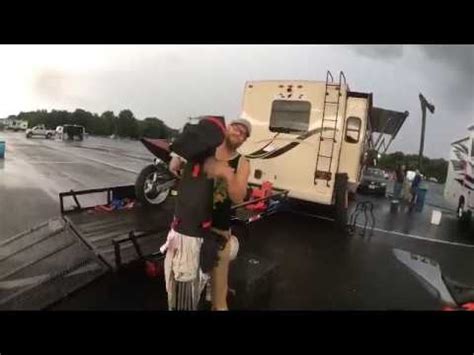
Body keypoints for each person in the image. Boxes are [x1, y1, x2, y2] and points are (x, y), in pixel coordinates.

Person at [168, 118, 251, 310]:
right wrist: (176, 157)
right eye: (235, 128)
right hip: (191, 229)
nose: (238, 133)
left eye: (243, 133)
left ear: (244, 140)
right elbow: (182, 150)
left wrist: (228, 175)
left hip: (218, 232)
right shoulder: (206, 150)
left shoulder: (242, 162)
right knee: (183, 286)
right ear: (227, 128)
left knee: (219, 299)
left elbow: (238, 198)